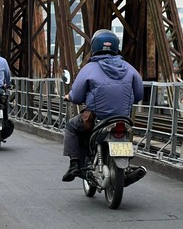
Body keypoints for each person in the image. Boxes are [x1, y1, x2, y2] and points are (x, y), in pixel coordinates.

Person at [61, 29, 144, 182]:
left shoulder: (89, 68)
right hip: (122, 118)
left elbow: (77, 96)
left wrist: (69, 96)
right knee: (126, 134)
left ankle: (74, 164)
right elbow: (139, 95)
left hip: (96, 118)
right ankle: (126, 167)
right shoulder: (130, 68)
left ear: (94, 47)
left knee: (72, 127)